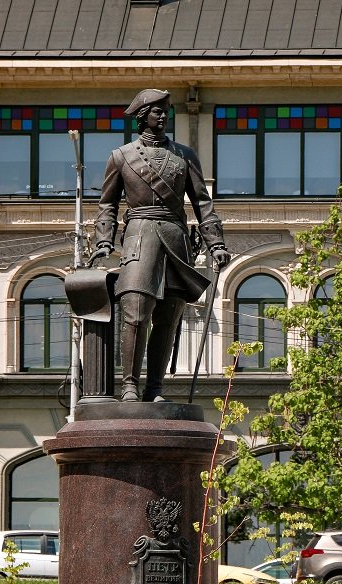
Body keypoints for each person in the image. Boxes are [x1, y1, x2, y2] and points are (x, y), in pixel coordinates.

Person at [88, 88, 230, 403]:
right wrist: (103, 241)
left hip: (176, 240)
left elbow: (202, 202)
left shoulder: (185, 156)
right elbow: (107, 204)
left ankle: (155, 388)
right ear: (143, 116)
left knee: (167, 320)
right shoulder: (121, 156)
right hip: (140, 237)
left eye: (166, 110)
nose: (164, 115)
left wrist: (216, 243)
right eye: (157, 111)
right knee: (136, 312)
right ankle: (129, 385)